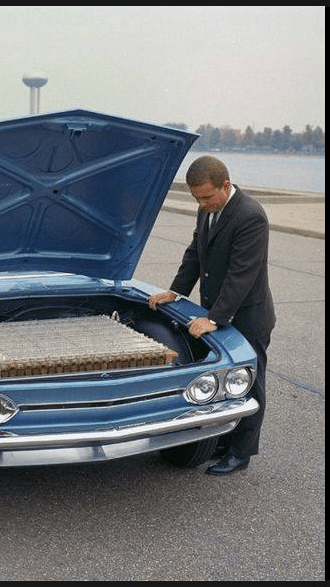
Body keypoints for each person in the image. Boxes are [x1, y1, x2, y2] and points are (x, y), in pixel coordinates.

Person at [148, 155, 275, 475]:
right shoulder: (207, 210)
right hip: (218, 313)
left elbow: (241, 275)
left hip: (247, 317)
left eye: (206, 197)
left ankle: (241, 452)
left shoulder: (251, 216)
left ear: (226, 185)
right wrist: (175, 291)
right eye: (196, 198)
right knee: (222, 381)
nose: (202, 204)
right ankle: (223, 441)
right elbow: (195, 253)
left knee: (249, 384)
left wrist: (214, 318)